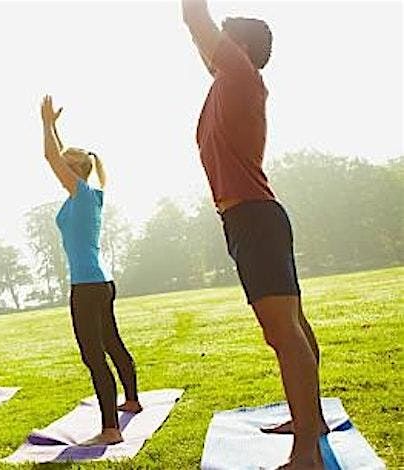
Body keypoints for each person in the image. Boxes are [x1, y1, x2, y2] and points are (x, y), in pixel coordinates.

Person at [182, 2, 329, 468]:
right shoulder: (227, 84)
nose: (210, 49)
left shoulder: (241, 76)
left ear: (238, 48)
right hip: (249, 219)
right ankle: (312, 421)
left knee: (282, 332)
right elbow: (198, 37)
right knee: (293, 328)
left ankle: (306, 449)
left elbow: (194, 19)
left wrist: (196, 16)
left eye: (221, 41)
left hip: (255, 219)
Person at [40, 96, 141, 446]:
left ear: (74, 172)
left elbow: (53, 156)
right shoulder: (84, 195)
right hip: (99, 280)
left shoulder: (83, 194)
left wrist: (45, 124)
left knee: (93, 354)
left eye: (65, 168)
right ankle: (131, 399)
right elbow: (63, 155)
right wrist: (54, 127)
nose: (57, 171)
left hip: (87, 284)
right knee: (110, 341)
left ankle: (110, 428)